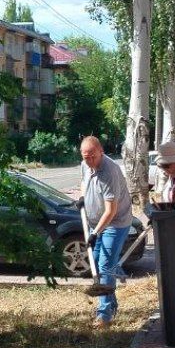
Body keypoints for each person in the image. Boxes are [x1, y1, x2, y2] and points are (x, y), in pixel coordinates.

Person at [78, 136, 133, 328]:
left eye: (92, 156)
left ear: (101, 151)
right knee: (101, 263)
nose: (89, 161)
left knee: (104, 266)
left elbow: (111, 211)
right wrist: (82, 197)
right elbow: (84, 183)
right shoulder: (85, 165)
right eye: (85, 157)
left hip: (115, 223)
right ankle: (113, 301)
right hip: (96, 222)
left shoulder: (109, 171)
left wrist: (95, 233)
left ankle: (104, 315)